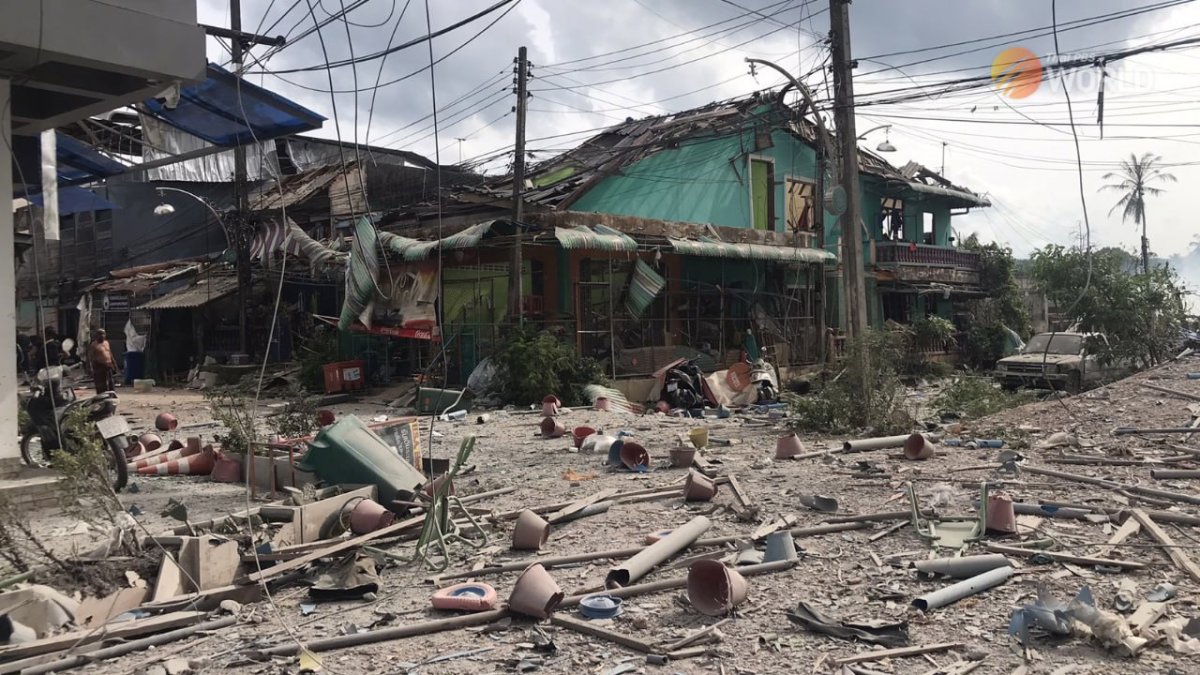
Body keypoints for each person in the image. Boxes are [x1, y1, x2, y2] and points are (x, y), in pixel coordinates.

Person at [87, 329, 117, 394]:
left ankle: (111, 396)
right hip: (99, 367)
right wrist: (90, 368)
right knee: (101, 385)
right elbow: (90, 358)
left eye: (103, 334)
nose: (102, 336)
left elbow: (110, 354)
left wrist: (114, 365)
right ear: (96, 336)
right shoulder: (94, 345)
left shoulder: (106, 343)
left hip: (108, 366)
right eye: (100, 334)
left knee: (110, 383)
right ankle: (102, 398)